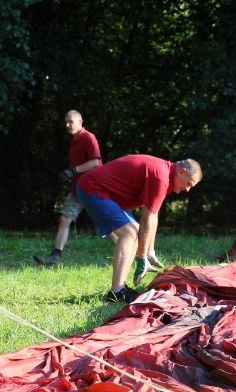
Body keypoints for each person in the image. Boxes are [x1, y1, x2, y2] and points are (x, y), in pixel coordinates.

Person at [76, 154, 202, 302]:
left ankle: (120, 287)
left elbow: (153, 215)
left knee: (134, 231)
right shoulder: (160, 177)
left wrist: (150, 252)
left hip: (107, 194)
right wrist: (142, 258)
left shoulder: (165, 174)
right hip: (92, 189)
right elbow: (146, 218)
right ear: (181, 172)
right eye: (189, 183)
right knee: (130, 233)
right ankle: (116, 291)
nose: (187, 190)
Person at [34, 110, 103, 266]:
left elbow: (96, 163)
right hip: (79, 189)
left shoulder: (88, 138)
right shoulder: (74, 140)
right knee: (65, 218)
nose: (67, 125)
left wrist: (73, 170)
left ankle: (130, 249)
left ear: (80, 122)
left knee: (107, 224)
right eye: (66, 122)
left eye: (71, 121)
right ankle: (55, 256)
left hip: (95, 188)